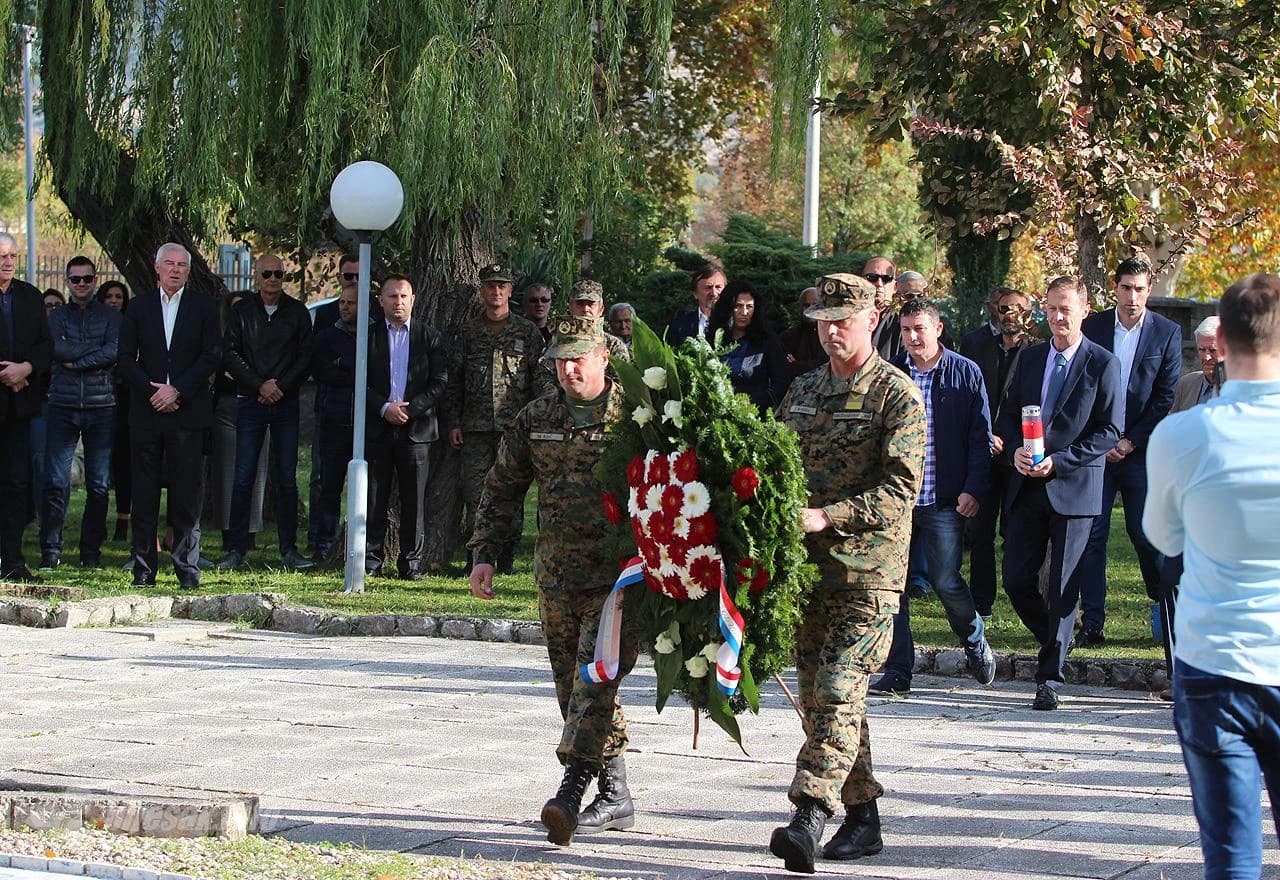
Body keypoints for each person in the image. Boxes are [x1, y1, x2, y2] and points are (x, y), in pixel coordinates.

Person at [771, 273, 925, 873]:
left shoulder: (896, 395)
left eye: (845, 321)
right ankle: (864, 820)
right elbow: (775, 463)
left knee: (838, 689)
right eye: (825, 322)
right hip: (811, 577)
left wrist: (826, 517)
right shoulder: (804, 390)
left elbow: (901, 489)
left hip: (869, 574)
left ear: (871, 322)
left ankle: (809, 816)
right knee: (823, 702)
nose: (833, 332)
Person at [468, 314, 635, 848]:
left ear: (604, 357)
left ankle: (571, 786)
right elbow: (503, 486)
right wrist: (487, 552)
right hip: (557, 575)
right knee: (573, 686)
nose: (567, 369)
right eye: (559, 360)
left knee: (594, 677)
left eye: (578, 358)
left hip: (618, 581)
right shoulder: (536, 417)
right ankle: (616, 793)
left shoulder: (635, 417)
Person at [1143, 273, 1280, 880]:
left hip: (1212, 661)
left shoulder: (1183, 433)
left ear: (1219, 339)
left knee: (1230, 856)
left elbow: (1163, 537)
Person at [994, 276, 1122, 710]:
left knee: (1065, 584)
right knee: (1015, 579)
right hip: (1028, 486)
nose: (1057, 317)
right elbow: (1008, 415)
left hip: (1074, 487)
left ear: (1084, 310)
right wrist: (1014, 451)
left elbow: (1109, 430)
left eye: (1065, 308)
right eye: (1050, 308)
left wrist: (1062, 461)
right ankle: (1055, 640)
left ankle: (1049, 678)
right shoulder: (1030, 359)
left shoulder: (1102, 363)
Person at [872, 299, 995, 696]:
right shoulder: (891, 374)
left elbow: (981, 437)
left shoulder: (964, 373)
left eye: (919, 329)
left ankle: (974, 639)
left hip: (944, 498)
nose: (911, 338)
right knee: (896, 586)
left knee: (945, 579)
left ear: (937, 329)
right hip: (899, 500)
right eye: (906, 330)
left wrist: (973, 488)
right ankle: (898, 671)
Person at [1078, 256, 1181, 645]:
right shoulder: (1094, 327)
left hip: (1139, 450)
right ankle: (1093, 622)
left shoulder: (1165, 332)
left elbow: (1164, 396)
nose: (1132, 296)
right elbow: (1082, 385)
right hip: (1096, 451)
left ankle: (1163, 606)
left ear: (1148, 290)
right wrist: (1101, 441)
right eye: (1126, 287)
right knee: (1093, 534)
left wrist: (1129, 441)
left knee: (1144, 533)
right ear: (1114, 288)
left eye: (1140, 288)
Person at [117, 242, 221, 589]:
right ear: (157, 267)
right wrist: (154, 392)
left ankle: (187, 570)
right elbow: (125, 358)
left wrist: (177, 390)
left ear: (189, 271)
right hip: (147, 413)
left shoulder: (204, 307)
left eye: (182, 265)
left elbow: (211, 356)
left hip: (187, 413)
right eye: (170, 264)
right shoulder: (138, 306)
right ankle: (144, 569)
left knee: (187, 495)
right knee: (144, 494)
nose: (176, 270)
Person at [444, 262, 550, 573]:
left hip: (513, 429)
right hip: (475, 428)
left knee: (511, 493)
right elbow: (454, 381)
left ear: (510, 291)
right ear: (482, 290)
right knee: (476, 496)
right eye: (490, 285)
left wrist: (534, 420)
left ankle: (506, 557)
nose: (496, 291)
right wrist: (453, 422)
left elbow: (540, 379)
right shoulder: (468, 332)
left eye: (502, 285)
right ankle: (477, 557)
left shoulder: (527, 332)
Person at [217, 254, 314, 571]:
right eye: (267, 273)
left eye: (279, 274)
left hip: (285, 403)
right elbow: (230, 354)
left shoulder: (297, 312)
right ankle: (236, 548)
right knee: (243, 475)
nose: (273, 279)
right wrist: (259, 385)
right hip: (251, 401)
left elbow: (305, 357)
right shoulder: (242, 312)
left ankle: (289, 549)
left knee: (287, 477)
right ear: (256, 277)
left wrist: (279, 386)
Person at [1154, 315, 1224, 688]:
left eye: (1214, 350)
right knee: (1172, 582)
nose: (1208, 357)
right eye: (1202, 350)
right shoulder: (1188, 386)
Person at [39, 256, 122, 569]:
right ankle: (51, 551)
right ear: (67, 281)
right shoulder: (56, 317)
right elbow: (56, 350)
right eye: (76, 279)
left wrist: (79, 361)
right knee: (56, 481)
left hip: (102, 405)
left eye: (87, 278)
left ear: (95, 279)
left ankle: (90, 554)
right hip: (63, 404)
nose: (82, 284)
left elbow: (115, 350)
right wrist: (96, 354)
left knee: (99, 485)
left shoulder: (111, 316)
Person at [363, 275, 448, 580]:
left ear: (413, 300)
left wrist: (411, 409)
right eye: (392, 296)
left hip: (417, 431)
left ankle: (410, 564)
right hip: (378, 428)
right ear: (381, 300)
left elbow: (440, 381)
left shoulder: (429, 336)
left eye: (403, 296)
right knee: (374, 497)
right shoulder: (368, 336)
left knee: (414, 501)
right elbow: (358, 380)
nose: (398, 302)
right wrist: (384, 408)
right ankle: (370, 561)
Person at [960, 287, 1036, 616]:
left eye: (1019, 309)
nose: (1011, 315)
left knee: (1014, 527)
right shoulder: (977, 344)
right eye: (1005, 308)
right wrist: (985, 434)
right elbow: (968, 394)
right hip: (982, 448)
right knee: (979, 532)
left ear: (1030, 314)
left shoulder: (1038, 350)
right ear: (995, 309)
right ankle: (981, 601)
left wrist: (1011, 439)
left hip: (1018, 451)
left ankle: (1021, 591)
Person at [0, 231, 52, 582]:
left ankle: (13, 560)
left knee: (17, 483)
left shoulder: (30, 297)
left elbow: (45, 345)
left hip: (19, 406)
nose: (7, 262)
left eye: (12, 256)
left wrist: (26, 369)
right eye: (1, 255)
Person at [307, 254, 360, 556]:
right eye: (342, 301)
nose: (345, 306)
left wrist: (345, 365)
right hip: (331, 415)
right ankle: (321, 542)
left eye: (351, 302)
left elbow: (374, 370)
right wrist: (348, 367)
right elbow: (321, 368)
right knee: (325, 482)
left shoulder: (375, 327)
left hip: (364, 417)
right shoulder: (327, 327)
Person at [705, 279, 790, 410]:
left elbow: (781, 383)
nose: (744, 312)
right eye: (738, 306)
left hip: (756, 414)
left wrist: (755, 403)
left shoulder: (768, 341)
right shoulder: (713, 339)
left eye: (749, 306)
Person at [96, 279, 133, 542]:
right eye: (109, 296)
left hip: (126, 400)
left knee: (124, 464)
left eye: (118, 296)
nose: (113, 300)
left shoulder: (131, 325)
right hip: (98, 395)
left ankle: (123, 521)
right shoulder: (97, 323)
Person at [666, 261, 726, 348]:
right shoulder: (680, 322)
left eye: (718, 287)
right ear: (695, 294)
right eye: (708, 287)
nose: (714, 293)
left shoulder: (735, 322)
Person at [568, 281, 629, 361]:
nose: (585, 309)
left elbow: (622, 372)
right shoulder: (558, 344)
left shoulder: (613, 345)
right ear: (570, 307)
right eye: (580, 303)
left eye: (591, 304)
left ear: (601, 309)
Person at [1172, 316, 1223, 412]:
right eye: (1202, 350)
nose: (1206, 357)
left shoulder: (1241, 389)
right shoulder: (1186, 384)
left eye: (1213, 350)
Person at [864, 256, 904, 361]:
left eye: (887, 278)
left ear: (895, 287)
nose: (879, 283)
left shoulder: (903, 324)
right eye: (871, 277)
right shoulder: (847, 321)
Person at [782, 286, 826, 379]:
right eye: (806, 305)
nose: (810, 309)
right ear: (800, 307)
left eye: (814, 305)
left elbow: (828, 366)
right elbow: (783, 368)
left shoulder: (831, 334)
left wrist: (797, 365)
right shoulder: (788, 336)